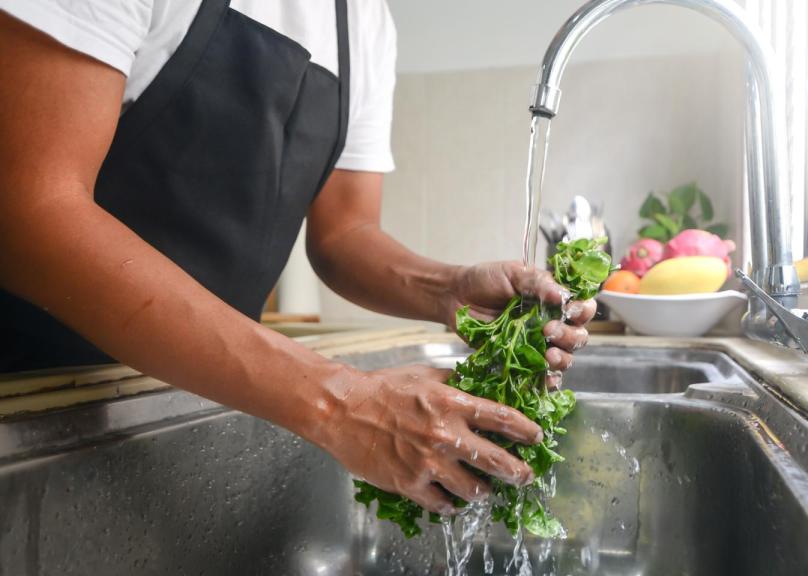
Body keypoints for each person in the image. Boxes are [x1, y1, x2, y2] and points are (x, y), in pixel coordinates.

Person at [0, 0, 596, 517]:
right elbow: (28, 211)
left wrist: (446, 289)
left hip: (205, 392)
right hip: (27, 404)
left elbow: (344, 232)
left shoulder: (363, 20)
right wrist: (341, 402)